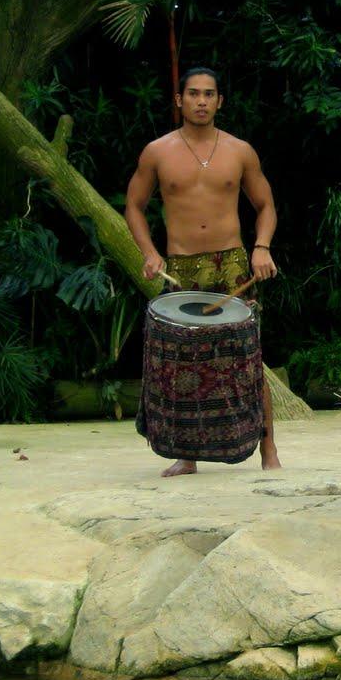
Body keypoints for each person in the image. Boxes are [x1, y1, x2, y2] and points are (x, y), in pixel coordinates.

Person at [125, 66, 282, 475]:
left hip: (231, 262)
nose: (200, 101)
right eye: (192, 93)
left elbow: (265, 206)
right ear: (179, 100)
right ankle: (187, 456)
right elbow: (134, 207)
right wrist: (148, 252)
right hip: (180, 267)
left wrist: (261, 248)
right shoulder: (157, 151)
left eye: (208, 94)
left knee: (249, 359)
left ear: (219, 101)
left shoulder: (239, 150)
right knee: (185, 365)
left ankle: (270, 453)